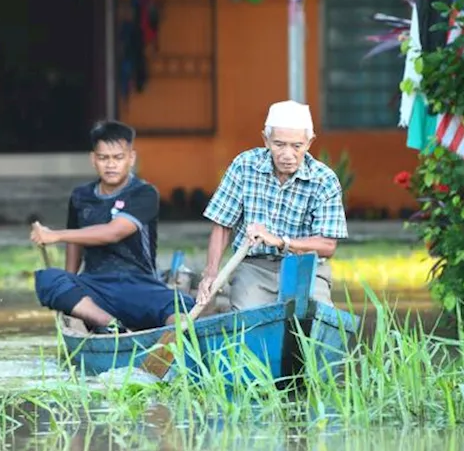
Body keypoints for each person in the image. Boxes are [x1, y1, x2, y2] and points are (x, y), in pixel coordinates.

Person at [30, 121, 192, 333]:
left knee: (183, 306)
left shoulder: (144, 193)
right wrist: (70, 284)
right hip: (96, 287)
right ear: (93, 159)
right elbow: (75, 243)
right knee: (48, 279)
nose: (110, 165)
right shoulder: (81, 196)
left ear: (131, 158)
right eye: (103, 158)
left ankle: (172, 338)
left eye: (118, 157)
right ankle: (112, 326)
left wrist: (56, 235)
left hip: (140, 287)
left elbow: (114, 232)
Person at [198, 100, 347, 310]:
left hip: (305, 267)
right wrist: (211, 273)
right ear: (266, 140)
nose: (287, 155)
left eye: (297, 146)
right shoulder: (244, 165)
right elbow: (222, 225)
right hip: (255, 267)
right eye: (279, 144)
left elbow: (327, 245)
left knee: (314, 319)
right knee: (247, 322)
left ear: (309, 142)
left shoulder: (324, 179)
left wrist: (279, 241)